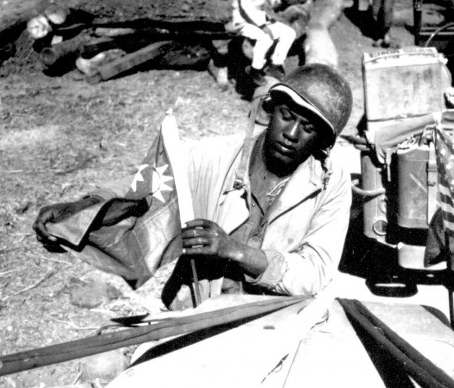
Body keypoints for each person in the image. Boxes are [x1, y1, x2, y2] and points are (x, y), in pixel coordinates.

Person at [33, 63, 353, 311]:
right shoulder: (216, 158)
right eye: (286, 116)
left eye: (307, 128)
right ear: (272, 110)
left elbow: (314, 274)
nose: (292, 134)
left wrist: (234, 249)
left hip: (277, 316)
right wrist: (80, 208)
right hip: (201, 308)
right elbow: (145, 186)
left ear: (322, 142)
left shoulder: (329, 182)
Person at [231, 0, 296, 84]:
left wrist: (276, 3)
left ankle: (275, 65)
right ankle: (255, 69)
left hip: (262, 18)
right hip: (243, 20)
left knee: (289, 33)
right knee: (266, 37)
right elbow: (246, 7)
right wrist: (263, 26)